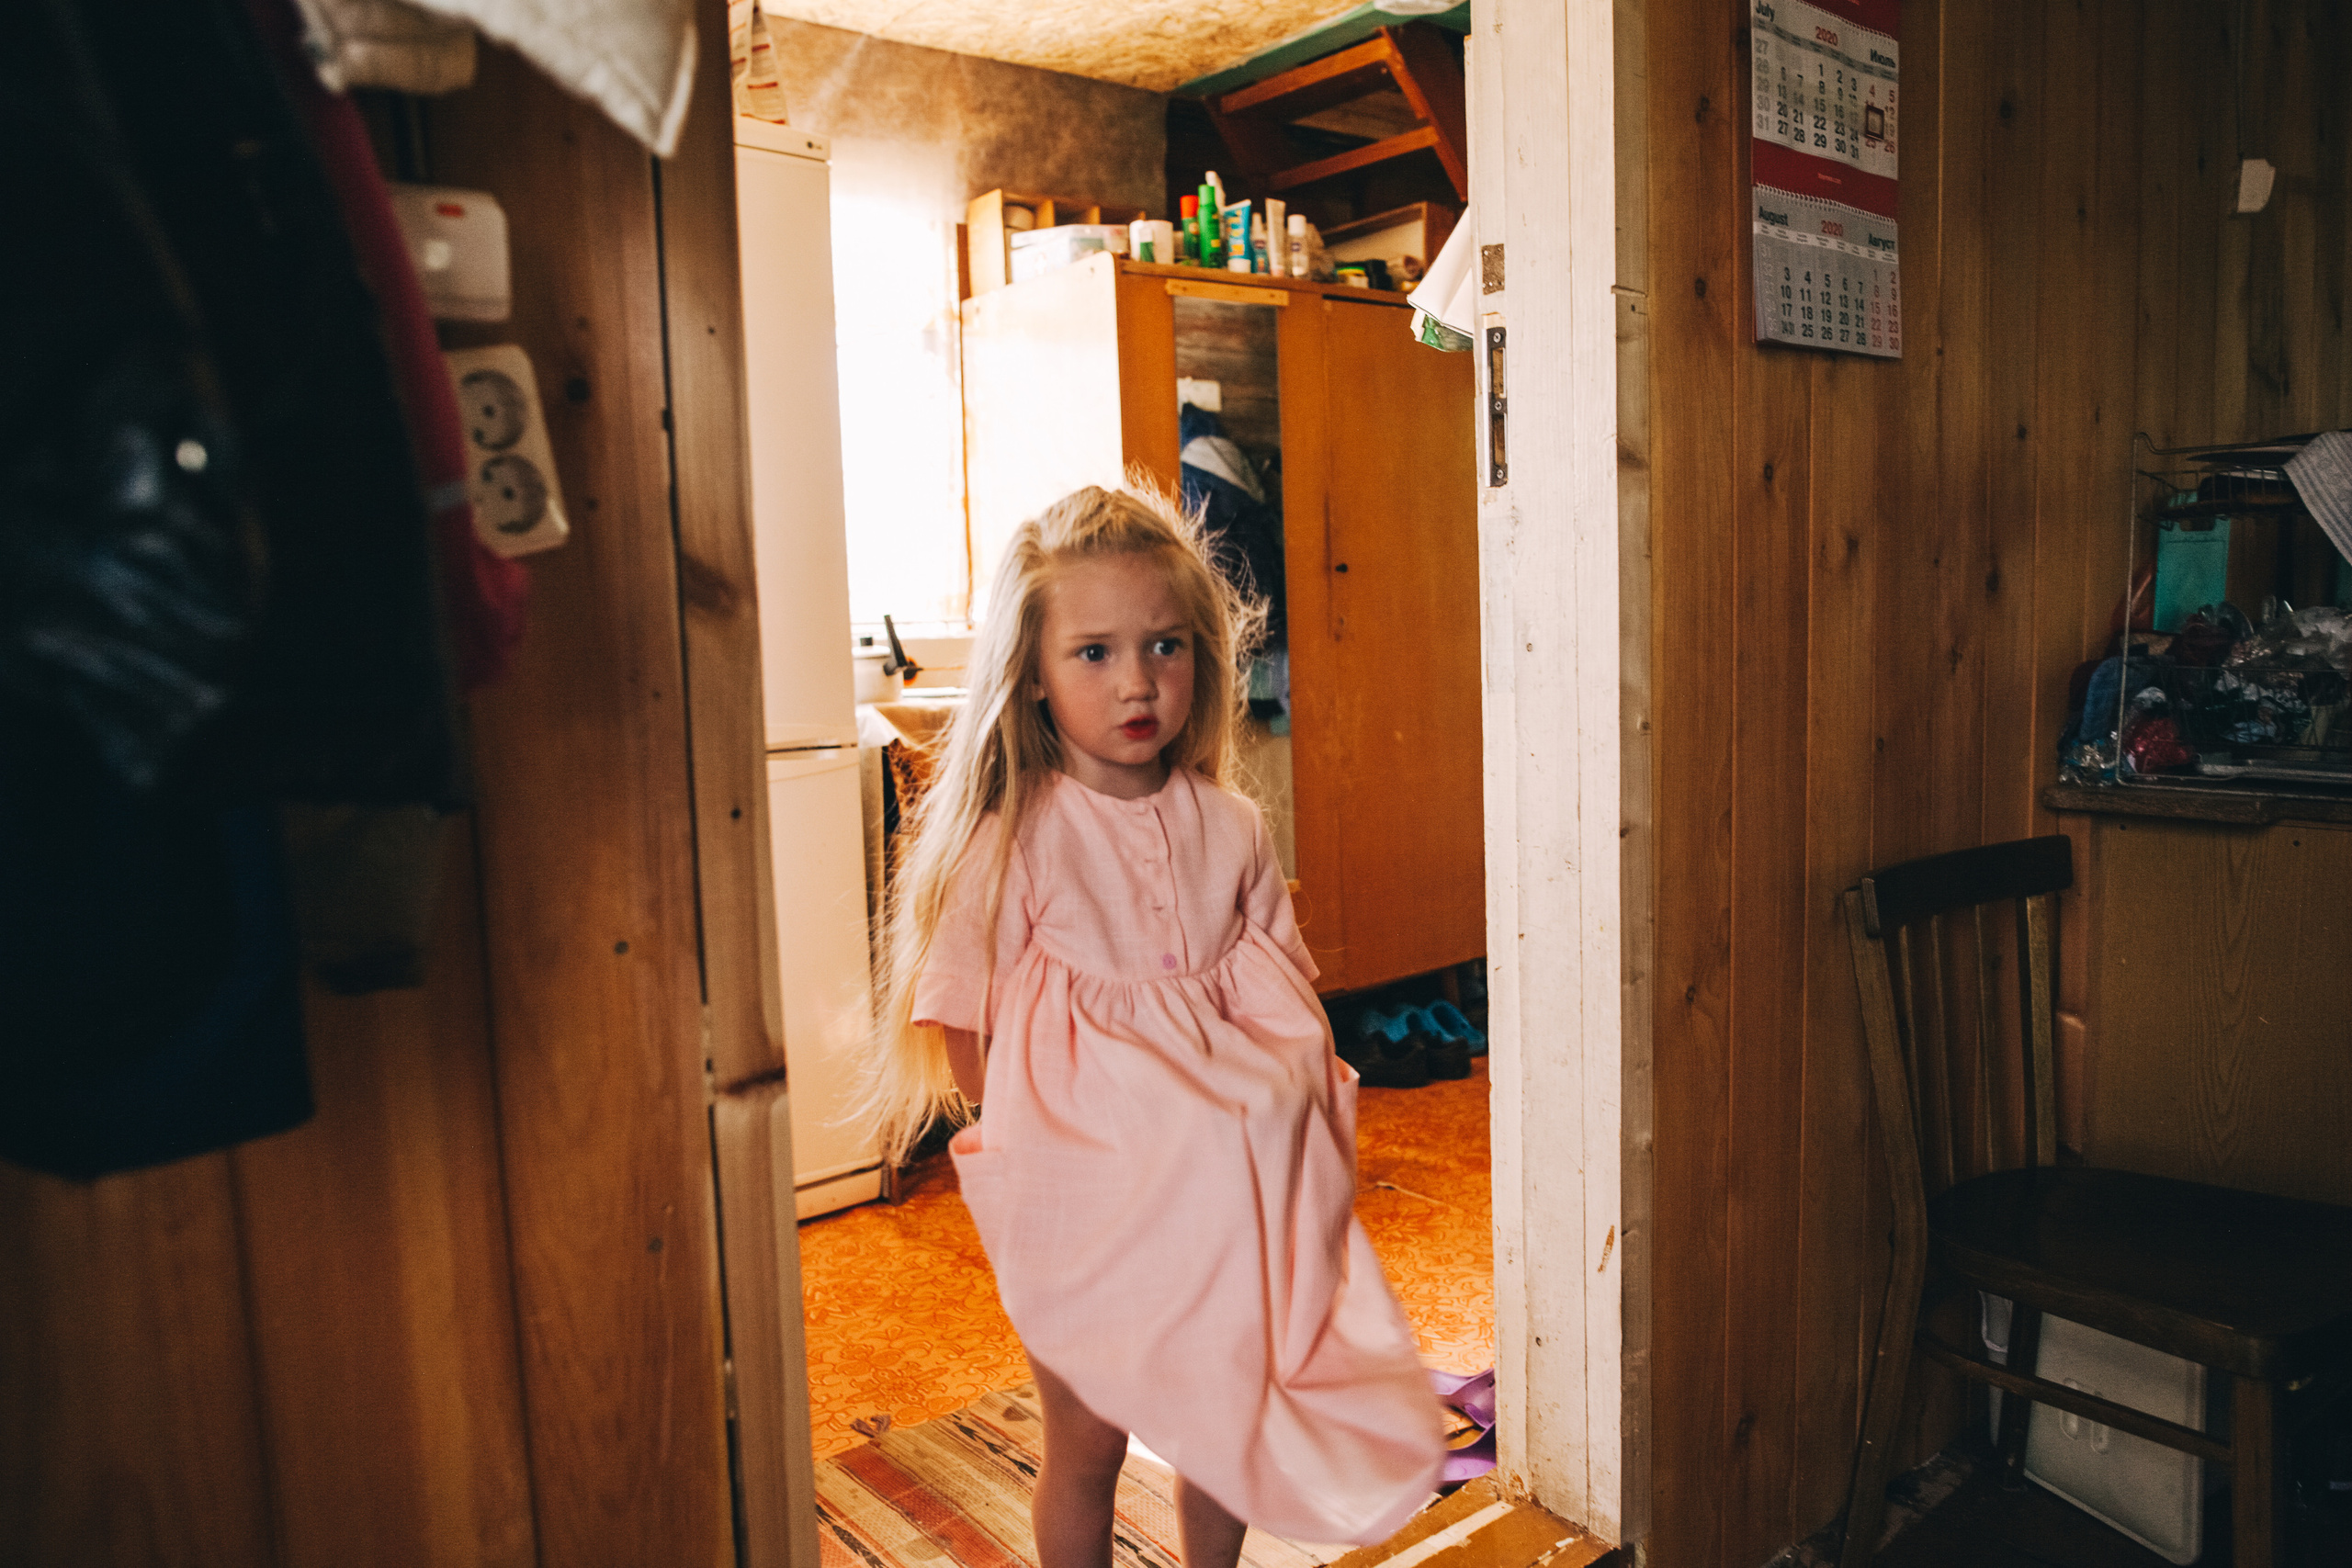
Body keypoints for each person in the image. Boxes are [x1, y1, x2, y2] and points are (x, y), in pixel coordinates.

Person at [861, 482, 1445, 1568]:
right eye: (1093, 653)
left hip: (1221, 1210)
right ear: (1031, 676)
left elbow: (1287, 1010)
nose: (1137, 682)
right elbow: (966, 1034)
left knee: (1225, 1430)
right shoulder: (1016, 842)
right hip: (1085, 1209)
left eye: (1164, 646)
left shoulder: (1230, 829)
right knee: (1088, 1442)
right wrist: (1063, 1136)